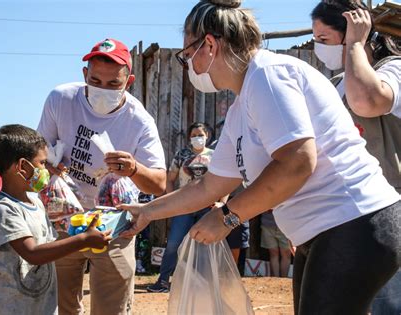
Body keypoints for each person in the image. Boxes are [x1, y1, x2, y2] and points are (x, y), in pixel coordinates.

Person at [120, 0, 401, 314]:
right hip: (329, 230)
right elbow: (208, 187)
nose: (188, 66)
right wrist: (149, 211)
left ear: (209, 45)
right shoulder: (243, 104)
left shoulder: (268, 76)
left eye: (187, 54)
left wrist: (228, 216)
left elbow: (297, 161)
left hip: (354, 221)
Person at [37, 38, 166, 315]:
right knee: (60, 306)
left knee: (112, 307)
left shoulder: (139, 120)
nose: (102, 90)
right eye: (95, 81)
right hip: (63, 221)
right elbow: (38, 155)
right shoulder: (61, 99)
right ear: (84, 74)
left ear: (128, 81)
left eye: (113, 85)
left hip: (114, 227)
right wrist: (49, 167)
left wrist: (134, 169)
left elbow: (159, 184)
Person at [311, 1, 401, 313]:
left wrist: (354, 44)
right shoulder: (335, 85)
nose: (318, 48)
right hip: (346, 215)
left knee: (387, 306)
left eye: (324, 39)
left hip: (391, 211)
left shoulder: (394, 70)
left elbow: (366, 101)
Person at [0, 125, 111, 315]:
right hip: (12, 308)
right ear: (22, 167)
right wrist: (83, 240)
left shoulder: (35, 200)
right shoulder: (4, 209)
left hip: (42, 306)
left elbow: (48, 241)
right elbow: (32, 253)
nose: (46, 169)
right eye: (42, 163)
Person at [147, 122, 223, 293]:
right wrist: (171, 200)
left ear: (207, 136)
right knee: (174, 243)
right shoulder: (182, 155)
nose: (198, 138)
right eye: (194, 135)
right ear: (189, 138)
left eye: (200, 135)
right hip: (184, 207)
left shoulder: (215, 156)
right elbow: (170, 178)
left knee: (206, 246)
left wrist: (222, 202)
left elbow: (226, 178)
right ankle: (163, 281)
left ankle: (204, 285)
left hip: (207, 207)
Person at [260, 210, 291, 277]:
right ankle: (275, 279)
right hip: (267, 224)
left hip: (285, 225)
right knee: (273, 253)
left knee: (286, 253)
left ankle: (284, 279)